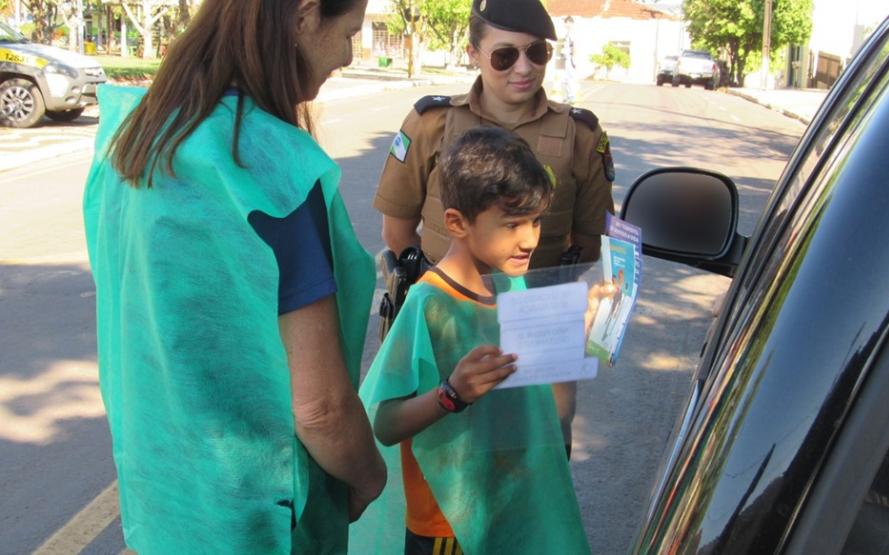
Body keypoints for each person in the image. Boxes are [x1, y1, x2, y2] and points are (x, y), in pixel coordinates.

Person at [82, 1, 386, 552]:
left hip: (162, 498)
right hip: (253, 519)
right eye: (349, 33)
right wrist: (369, 477)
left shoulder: (132, 141)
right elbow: (320, 408)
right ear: (304, 16)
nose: (347, 54)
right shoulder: (265, 166)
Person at [373, 0, 616, 453]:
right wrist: (451, 303)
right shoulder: (431, 123)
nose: (523, 67)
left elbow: (586, 244)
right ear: (474, 54)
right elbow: (399, 235)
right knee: (442, 453)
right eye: (505, 55)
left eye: (536, 53)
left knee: (542, 451)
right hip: (448, 322)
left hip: (539, 326)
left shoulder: (580, 134)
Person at [359, 127, 590, 554]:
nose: (530, 239)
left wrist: (573, 340)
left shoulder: (511, 289)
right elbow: (385, 423)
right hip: (448, 524)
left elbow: (551, 412)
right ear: (456, 223)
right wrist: (451, 394)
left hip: (510, 506)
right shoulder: (430, 304)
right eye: (513, 224)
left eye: (536, 221)